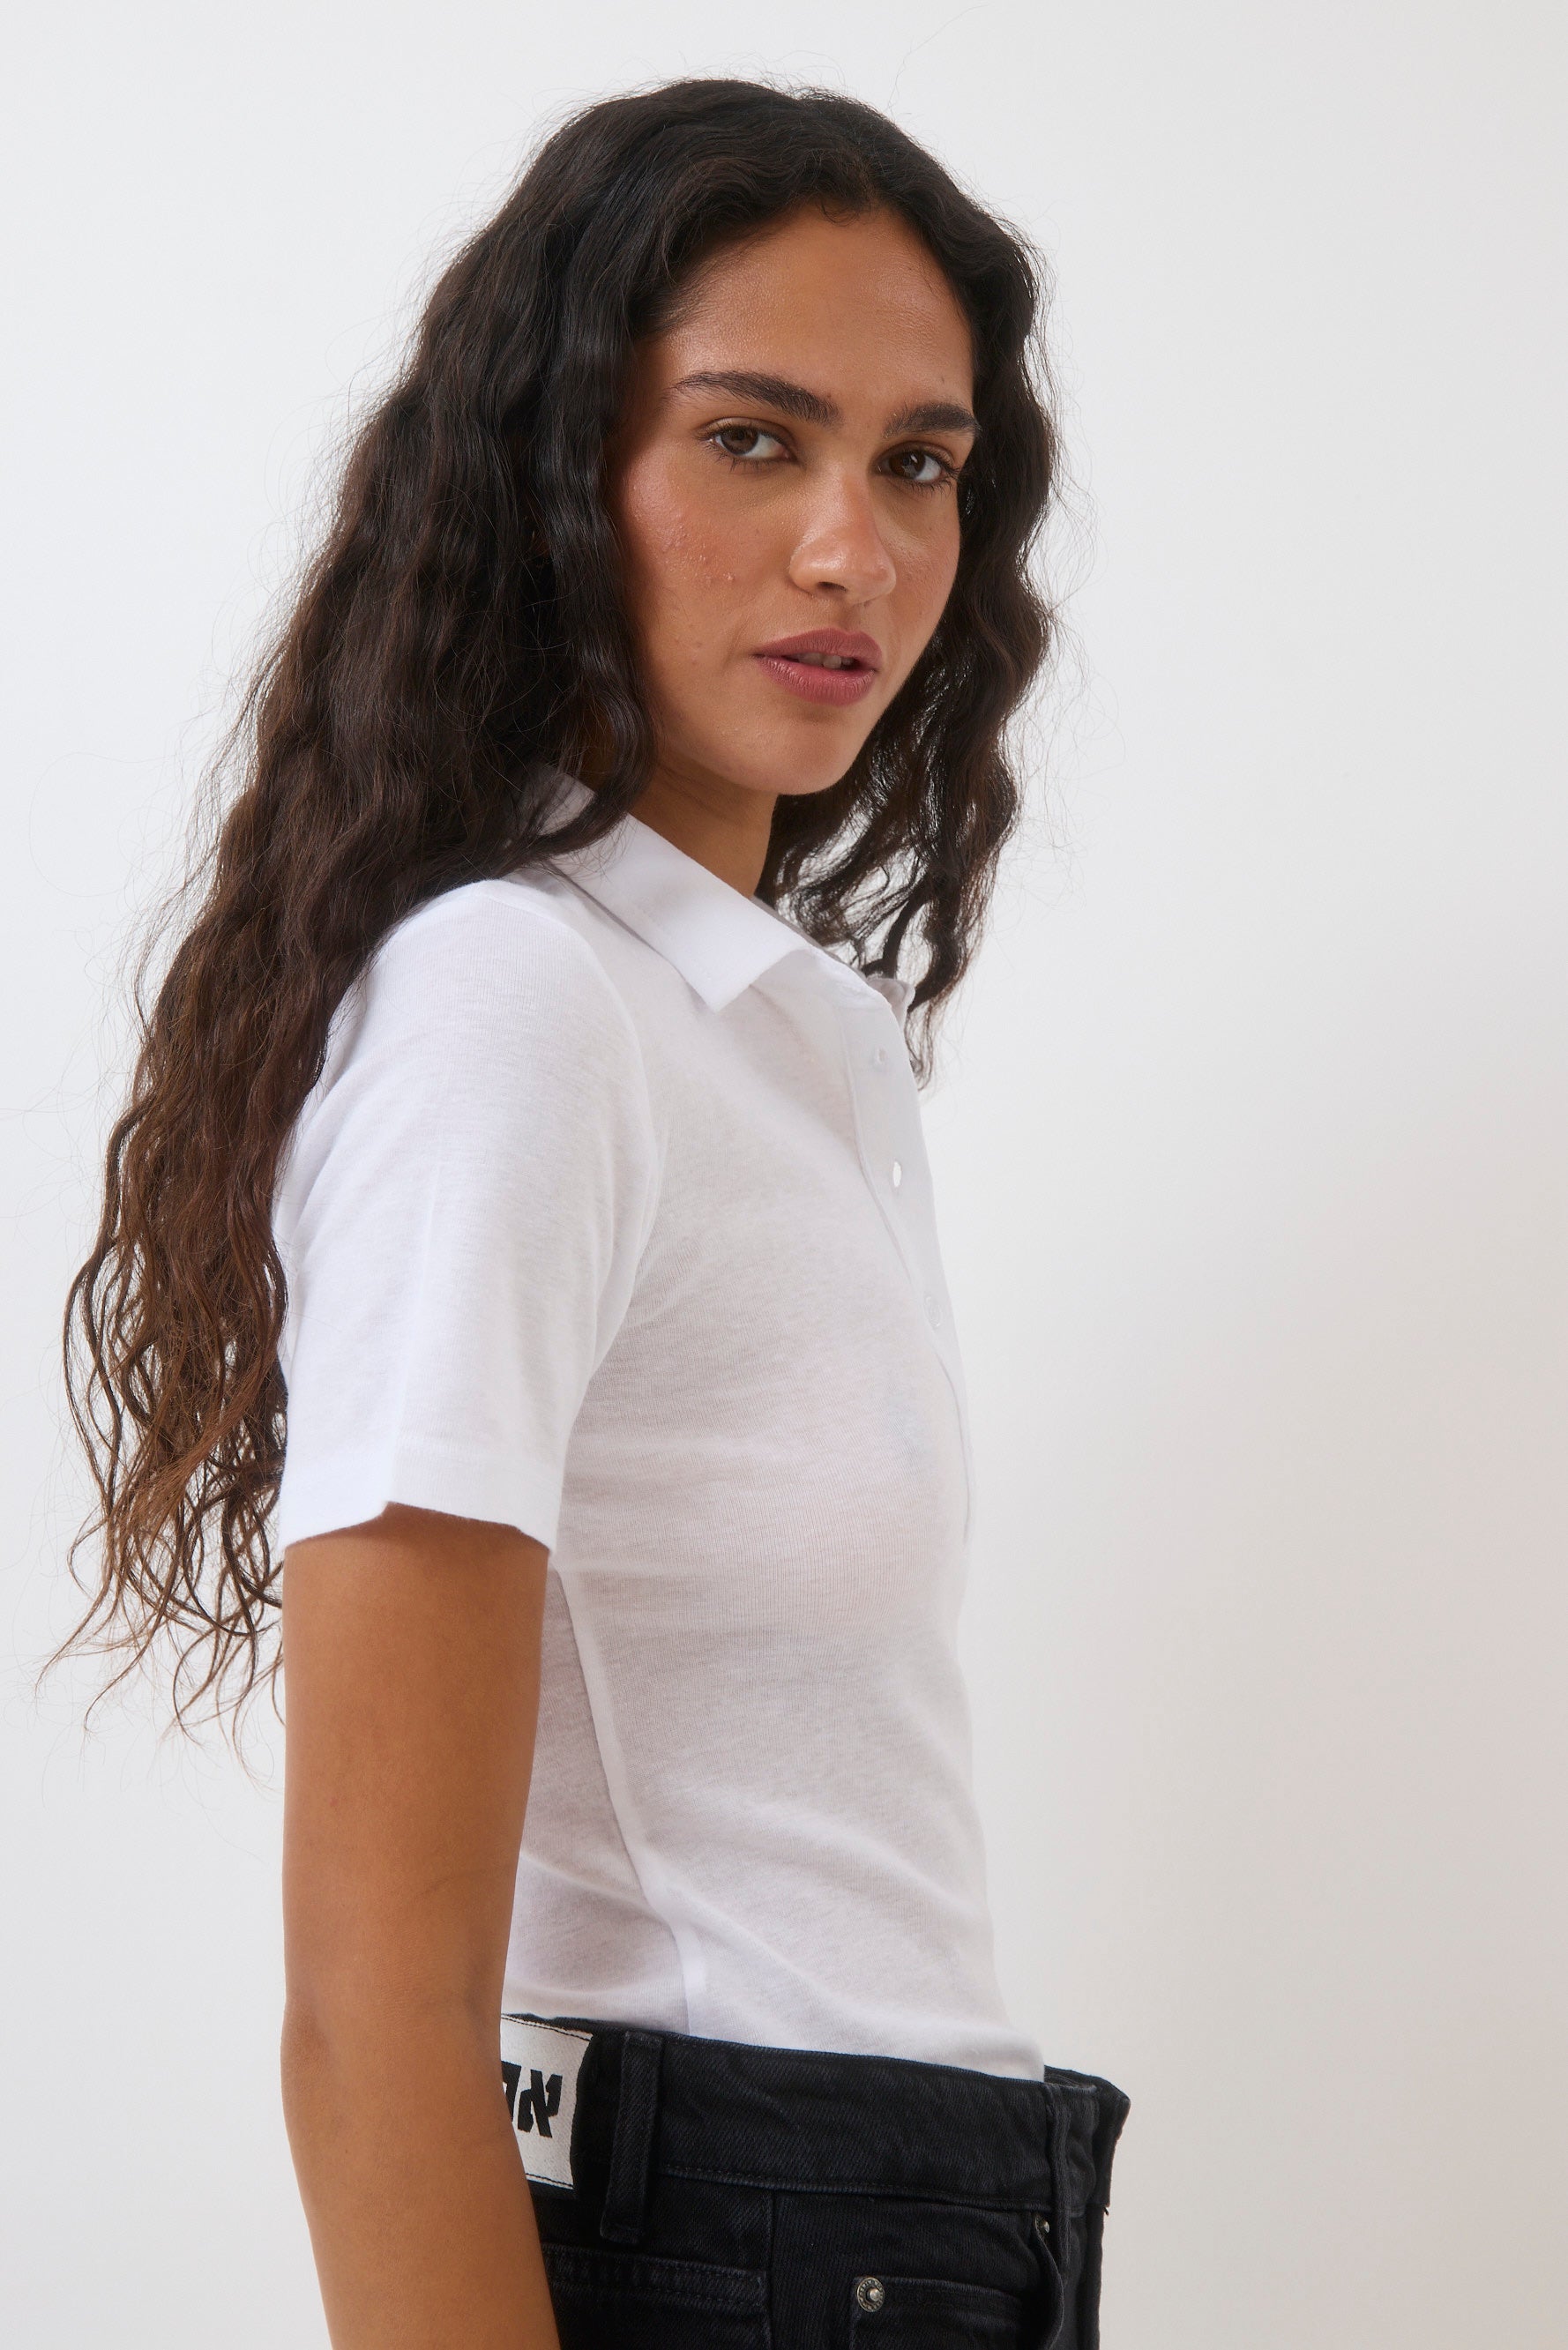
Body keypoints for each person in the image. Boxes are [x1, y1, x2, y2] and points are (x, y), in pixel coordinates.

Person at [61, 78, 1128, 2349]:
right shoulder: (515, 1007)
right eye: (751, 440)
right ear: (551, 477)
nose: (852, 549)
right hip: (743, 2242)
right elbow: (371, 2005)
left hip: (896, 2221)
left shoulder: (768, 1032)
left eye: (917, 463)